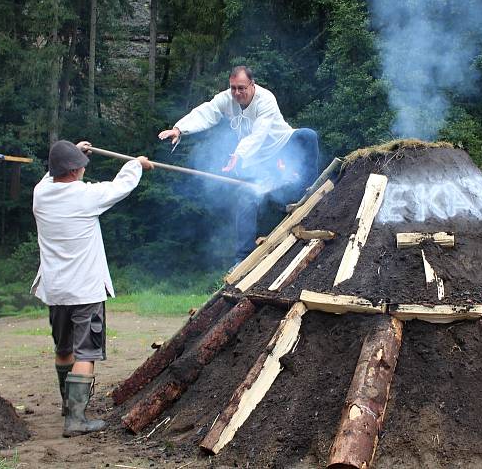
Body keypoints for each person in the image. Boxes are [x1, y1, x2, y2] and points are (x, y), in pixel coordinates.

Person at [31, 140, 153, 437]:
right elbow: (120, 187)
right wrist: (137, 164)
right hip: (85, 290)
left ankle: (67, 404)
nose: (84, 170)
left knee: (63, 349)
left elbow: (52, 175)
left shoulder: (40, 194)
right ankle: (76, 420)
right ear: (73, 171)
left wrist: (74, 151)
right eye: (80, 166)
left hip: (55, 289)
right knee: (86, 353)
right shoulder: (85, 196)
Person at [158, 65, 319, 265]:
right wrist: (179, 129)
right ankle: (242, 258)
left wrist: (239, 154)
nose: (237, 93)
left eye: (241, 88)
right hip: (256, 159)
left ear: (252, 85)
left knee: (307, 136)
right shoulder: (227, 98)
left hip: (282, 147)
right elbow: (206, 111)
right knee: (246, 196)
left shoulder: (266, 99)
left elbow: (259, 134)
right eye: (233, 88)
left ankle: (310, 190)